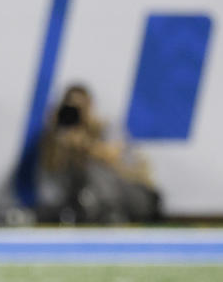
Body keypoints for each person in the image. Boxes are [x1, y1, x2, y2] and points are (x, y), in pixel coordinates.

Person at [36, 84, 161, 224]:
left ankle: (110, 212)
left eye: (80, 108)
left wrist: (84, 143)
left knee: (92, 167)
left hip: (133, 194)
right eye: (71, 108)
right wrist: (57, 140)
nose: (76, 113)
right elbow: (51, 168)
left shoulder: (105, 127)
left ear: (90, 106)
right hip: (89, 201)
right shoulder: (60, 134)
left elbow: (112, 156)